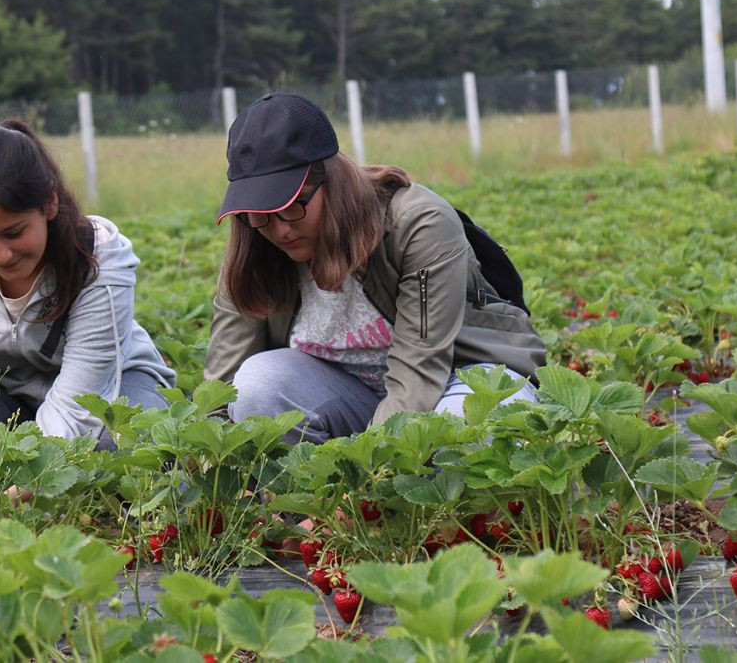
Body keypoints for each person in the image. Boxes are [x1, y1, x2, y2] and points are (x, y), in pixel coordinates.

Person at [204, 93, 546, 444]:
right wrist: (200, 467)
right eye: (259, 213)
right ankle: (304, 497)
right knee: (257, 385)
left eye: (293, 205)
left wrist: (368, 477)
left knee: (466, 427)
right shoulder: (255, 242)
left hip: (458, 376)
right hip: (356, 395)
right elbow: (221, 390)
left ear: (330, 179)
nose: (279, 229)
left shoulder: (416, 224)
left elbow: (420, 369)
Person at [0, 118, 175, 447]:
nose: (1, 255)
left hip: (110, 388)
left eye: (14, 232)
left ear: (49, 203)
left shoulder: (98, 258)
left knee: (124, 435)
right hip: (6, 395)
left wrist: (27, 482)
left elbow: (79, 405)